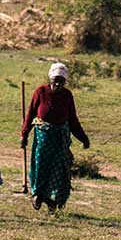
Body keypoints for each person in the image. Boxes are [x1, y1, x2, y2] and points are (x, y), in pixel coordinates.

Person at [20, 61, 89, 213]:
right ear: (50, 79)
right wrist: (24, 134)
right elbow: (31, 113)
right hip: (43, 137)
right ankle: (37, 195)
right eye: (55, 80)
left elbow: (72, 119)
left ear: (65, 82)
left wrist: (83, 138)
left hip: (61, 139)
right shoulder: (41, 92)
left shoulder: (67, 95)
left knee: (58, 170)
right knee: (40, 166)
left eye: (61, 81)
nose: (58, 83)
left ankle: (53, 202)